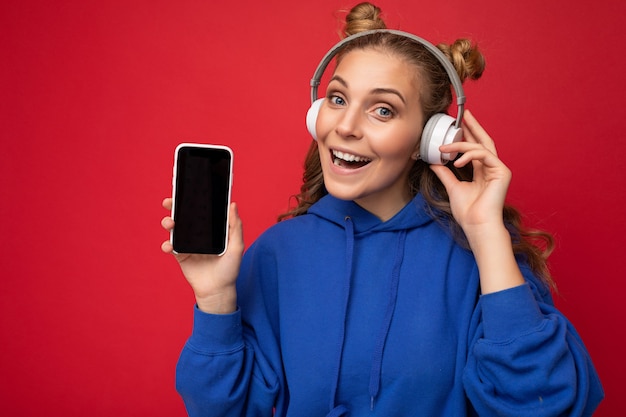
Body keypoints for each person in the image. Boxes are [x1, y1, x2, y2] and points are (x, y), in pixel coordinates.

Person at [160, 2, 604, 416]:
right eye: (337, 99)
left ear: (430, 140)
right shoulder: (278, 253)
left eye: (383, 111)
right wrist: (215, 299)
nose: (346, 127)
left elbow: (547, 404)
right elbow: (227, 409)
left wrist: (486, 234)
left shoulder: (482, 258)